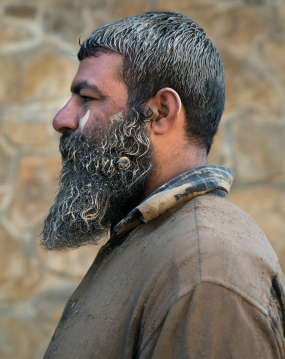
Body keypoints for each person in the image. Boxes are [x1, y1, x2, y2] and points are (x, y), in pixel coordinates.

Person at [41, 12, 285, 358]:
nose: (62, 119)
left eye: (88, 98)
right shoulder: (157, 238)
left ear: (161, 111)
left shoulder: (206, 268)